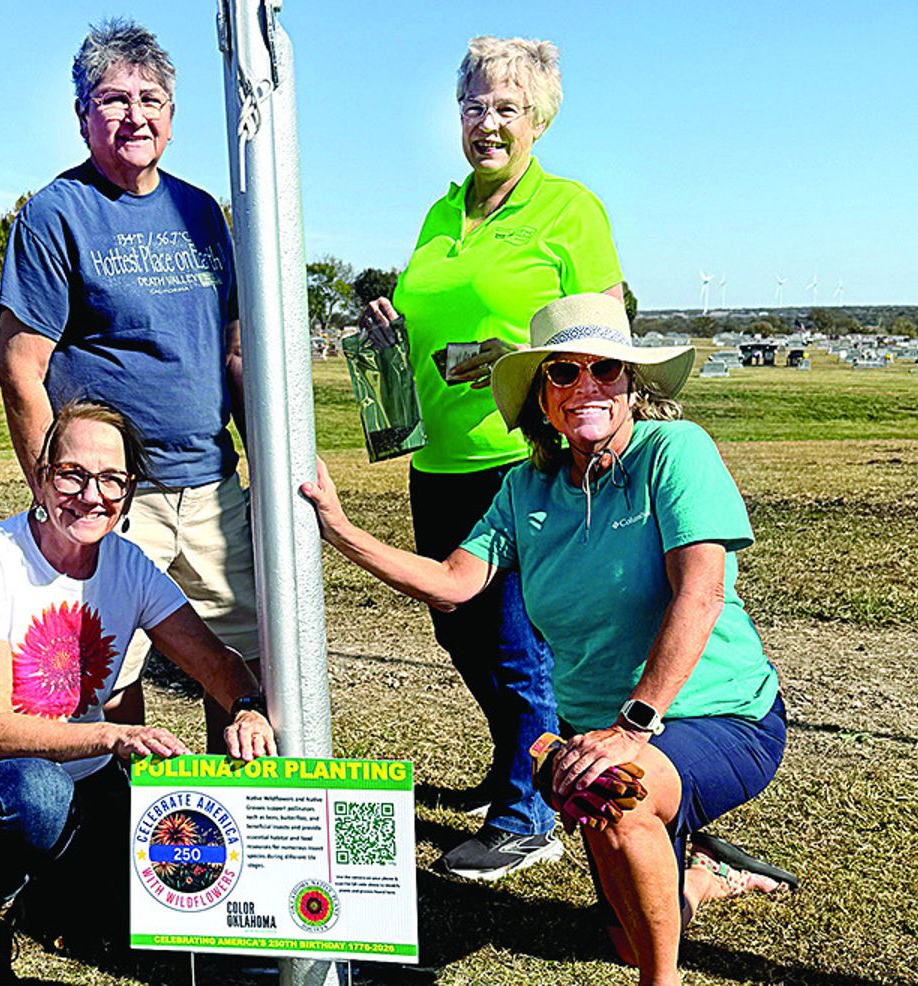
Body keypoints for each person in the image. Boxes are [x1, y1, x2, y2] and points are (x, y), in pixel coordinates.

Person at [303, 294, 793, 986]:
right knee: (628, 930)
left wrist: (633, 727)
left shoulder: (675, 452)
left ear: (632, 384)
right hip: (597, 730)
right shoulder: (524, 487)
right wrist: (340, 528)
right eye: (564, 371)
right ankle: (699, 877)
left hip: (714, 713)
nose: (586, 386)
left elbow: (701, 593)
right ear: (542, 393)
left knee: (618, 797)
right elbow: (452, 582)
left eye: (606, 369)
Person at [357, 35, 624, 880]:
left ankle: (527, 811)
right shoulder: (442, 212)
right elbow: (421, 314)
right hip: (434, 456)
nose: (487, 122)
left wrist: (521, 351)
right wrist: (388, 331)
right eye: (474, 105)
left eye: (506, 107)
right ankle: (523, 754)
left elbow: (605, 332)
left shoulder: (570, 209)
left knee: (513, 643)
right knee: (456, 628)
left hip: (520, 457)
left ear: (538, 118)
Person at [0, 400, 274, 983]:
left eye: (112, 479)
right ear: (42, 476)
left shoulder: (130, 567)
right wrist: (112, 735)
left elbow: (213, 661)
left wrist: (246, 706)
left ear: (128, 490)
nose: (91, 495)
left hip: (84, 769)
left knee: (135, 891)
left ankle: (48, 884)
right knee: (37, 794)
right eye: (72, 474)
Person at [0, 18, 258, 752]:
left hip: (211, 485)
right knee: (110, 668)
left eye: (150, 98)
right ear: (82, 115)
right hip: (114, 493)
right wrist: (57, 489)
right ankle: (122, 821)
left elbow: (232, 348)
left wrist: (271, 458)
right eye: (112, 99)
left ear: (171, 116)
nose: (134, 115)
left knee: (240, 666)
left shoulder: (201, 210)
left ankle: (236, 812)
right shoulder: (54, 216)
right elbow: (20, 368)